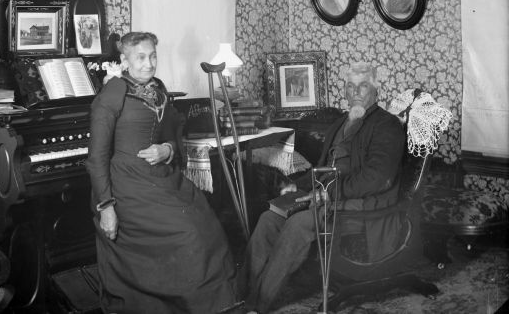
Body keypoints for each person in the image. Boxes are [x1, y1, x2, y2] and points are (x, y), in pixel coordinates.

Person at [85, 31, 242, 314]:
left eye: (153, 56)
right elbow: (96, 156)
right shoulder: (113, 92)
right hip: (126, 186)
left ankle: (214, 306)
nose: (148, 64)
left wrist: (167, 150)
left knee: (204, 225)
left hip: (159, 178)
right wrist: (106, 206)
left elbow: (173, 136)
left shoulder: (158, 88)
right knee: (187, 233)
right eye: (141, 57)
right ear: (125, 60)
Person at [240, 62, 405, 314]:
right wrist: (295, 186)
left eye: (363, 86)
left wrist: (328, 193)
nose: (356, 92)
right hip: (325, 199)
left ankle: (257, 306)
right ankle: (241, 296)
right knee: (268, 218)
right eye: (350, 87)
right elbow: (322, 167)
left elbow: (377, 178)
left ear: (376, 90)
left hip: (359, 206)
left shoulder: (387, 125)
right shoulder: (342, 121)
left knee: (298, 224)